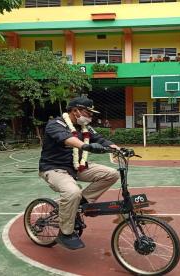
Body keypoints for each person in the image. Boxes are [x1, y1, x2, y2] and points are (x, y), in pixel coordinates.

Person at [39, 96, 120, 250]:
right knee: (72, 191)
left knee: (112, 174)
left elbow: (100, 139)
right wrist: (85, 146)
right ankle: (65, 233)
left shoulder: (85, 128)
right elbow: (67, 139)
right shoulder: (55, 124)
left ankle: (81, 201)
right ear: (75, 111)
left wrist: (118, 149)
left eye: (91, 113)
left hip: (77, 167)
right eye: (87, 112)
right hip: (54, 168)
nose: (90, 116)